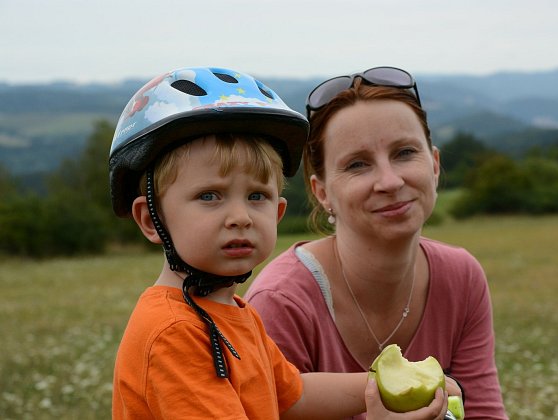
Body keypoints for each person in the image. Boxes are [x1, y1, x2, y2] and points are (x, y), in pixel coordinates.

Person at [109, 66, 452, 419]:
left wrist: (393, 384)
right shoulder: (175, 333)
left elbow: (292, 396)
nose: (240, 216)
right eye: (210, 195)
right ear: (151, 220)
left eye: (257, 196)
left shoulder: (235, 313)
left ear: (278, 213)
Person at [245, 66, 508, 419]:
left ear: (434, 165)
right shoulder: (281, 303)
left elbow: (484, 413)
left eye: (404, 153)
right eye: (357, 164)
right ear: (322, 192)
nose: (389, 180)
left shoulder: (461, 277)